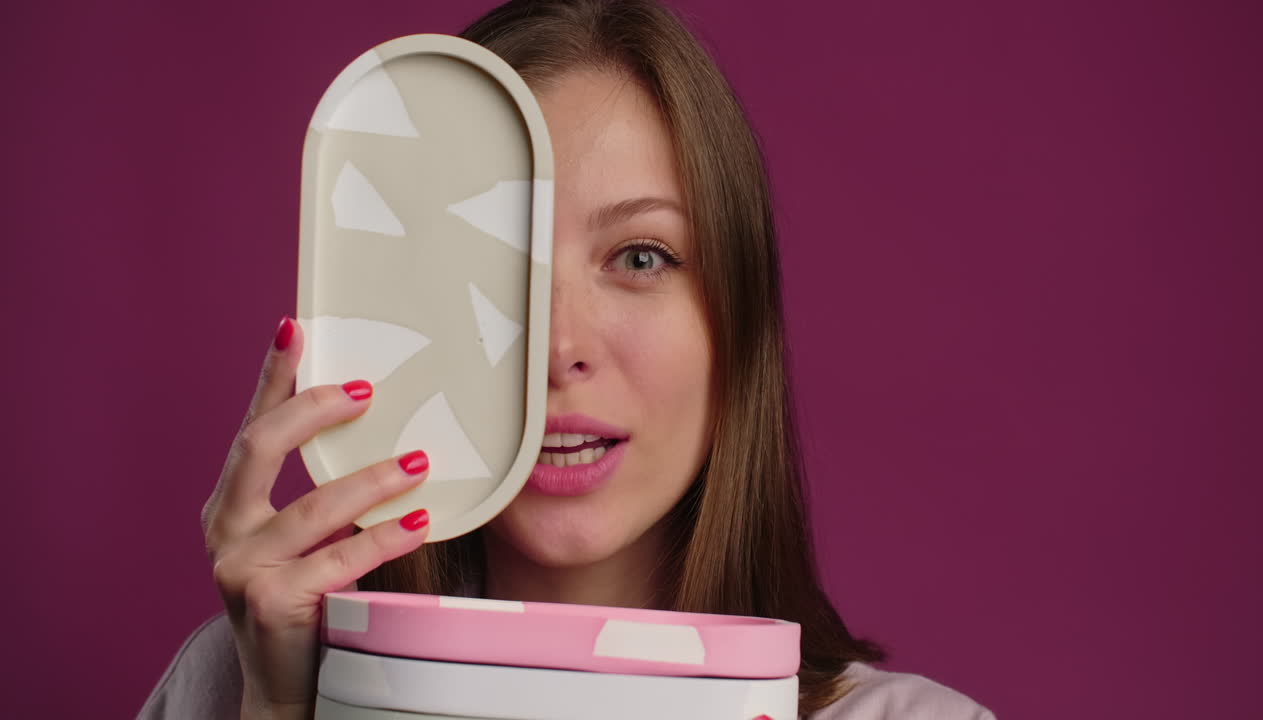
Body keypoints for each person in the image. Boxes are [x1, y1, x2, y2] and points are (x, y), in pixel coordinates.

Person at [140, 1, 995, 718]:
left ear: (739, 325)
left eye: (641, 257)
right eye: (490, 261)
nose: (556, 351)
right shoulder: (242, 682)